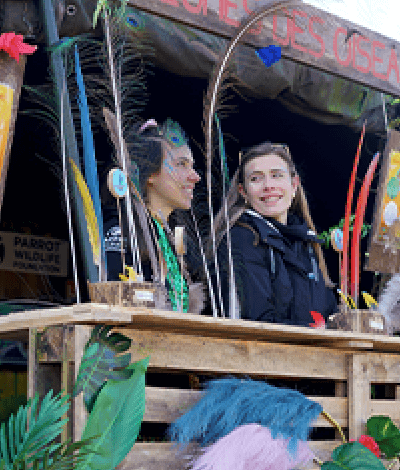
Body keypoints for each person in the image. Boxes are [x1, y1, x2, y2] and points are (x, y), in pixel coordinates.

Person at [214, 142, 338, 326]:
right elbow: (258, 322)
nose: (268, 186)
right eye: (256, 179)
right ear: (243, 191)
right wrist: (322, 332)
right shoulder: (243, 238)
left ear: (294, 184)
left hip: (311, 352)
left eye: (277, 175)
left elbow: (328, 312)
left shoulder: (307, 242)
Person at [103, 118, 207, 313]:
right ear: (149, 173)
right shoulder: (122, 231)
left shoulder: (172, 236)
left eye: (191, 165)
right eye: (181, 164)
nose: (195, 176)